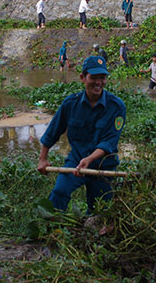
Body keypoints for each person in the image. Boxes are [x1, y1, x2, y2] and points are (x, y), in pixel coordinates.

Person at [37, 55, 126, 212]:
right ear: (83, 78)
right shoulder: (70, 104)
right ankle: (52, 228)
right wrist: (43, 159)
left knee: (99, 210)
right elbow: (53, 132)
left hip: (103, 165)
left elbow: (109, 142)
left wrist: (90, 159)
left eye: (103, 77)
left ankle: (89, 227)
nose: (99, 82)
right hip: (76, 161)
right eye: (94, 77)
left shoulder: (117, 107)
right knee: (59, 192)